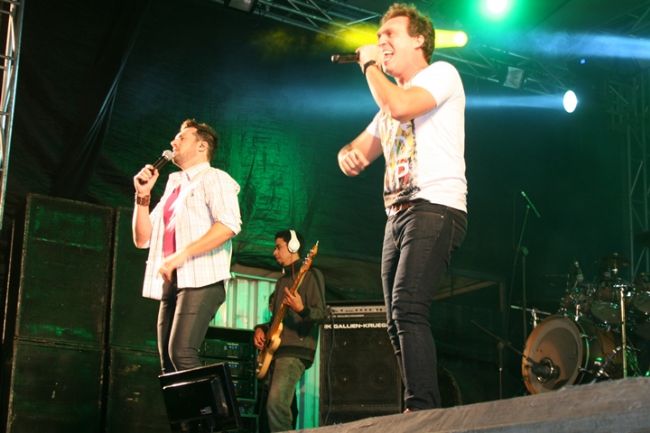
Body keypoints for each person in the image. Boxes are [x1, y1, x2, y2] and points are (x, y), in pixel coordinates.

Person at [337, 3, 468, 412]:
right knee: (395, 320)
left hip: (435, 206)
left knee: (408, 307)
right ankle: (417, 404)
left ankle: (421, 408)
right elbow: (362, 146)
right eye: (378, 38)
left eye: (390, 35)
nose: (381, 43)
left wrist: (369, 66)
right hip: (397, 216)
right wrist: (347, 155)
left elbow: (401, 106)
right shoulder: (387, 104)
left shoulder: (441, 74)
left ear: (419, 40)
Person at [132, 118, 242, 373]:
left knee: (181, 354)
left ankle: (218, 402)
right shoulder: (175, 185)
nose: (173, 142)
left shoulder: (215, 178)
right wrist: (142, 195)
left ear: (202, 146)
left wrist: (180, 256)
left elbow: (228, 225)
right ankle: (188, 404)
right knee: (169, 364)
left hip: (202, 279)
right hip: (173, 283)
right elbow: (142, 238)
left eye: (181, 137)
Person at [253, 230, 326, 432]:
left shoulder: (312, 274)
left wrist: (302, 309)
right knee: (274, 408)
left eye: (278, 247)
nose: (274, 252)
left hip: (295, 350)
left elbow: (322, 314)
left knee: (276, 405)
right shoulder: (281, 282)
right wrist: (260, 329)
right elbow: (277, 321)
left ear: (293, 246)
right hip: (276, 352)